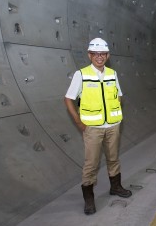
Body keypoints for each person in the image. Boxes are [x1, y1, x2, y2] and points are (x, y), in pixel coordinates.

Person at [64, 38, 132, 215]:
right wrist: (80, 122)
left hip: (113, 126)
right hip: (92, 128)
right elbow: (68, 99)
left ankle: (115, 187)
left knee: (113, 158)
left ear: (107, 55)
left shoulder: (112, 73)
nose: (99, 57)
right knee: (91, 164)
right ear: (89, 55)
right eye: (95, 54)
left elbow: (120, 95)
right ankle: (89, 199)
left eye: (102, 54)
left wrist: (113, 111)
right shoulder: (82, 74)